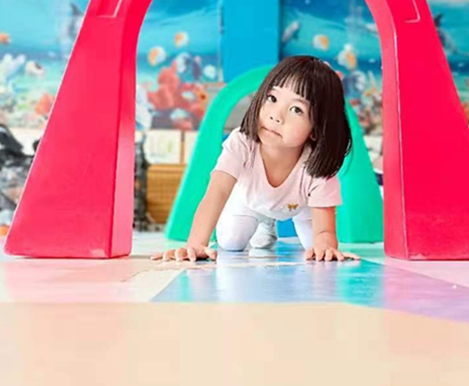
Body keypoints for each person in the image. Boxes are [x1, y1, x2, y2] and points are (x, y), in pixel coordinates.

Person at [153, 56, 360, 263]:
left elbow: (325, 230)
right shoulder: (242, 143)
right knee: (231, 241)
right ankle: (264, 223)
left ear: (316, 129)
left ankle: (269, 222)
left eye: (296, 109)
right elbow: (217, 192)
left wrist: (326, 246)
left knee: (314, 249)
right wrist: (196, 243)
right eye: (272, 98)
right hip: (249, 202)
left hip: (298, 206)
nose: (276, 116)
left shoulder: (316, 163)